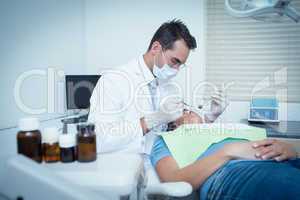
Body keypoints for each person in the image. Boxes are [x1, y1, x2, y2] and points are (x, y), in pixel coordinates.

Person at [88, 19, 227, 154]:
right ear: (156, 48)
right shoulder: (114, 80)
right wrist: (150, 121)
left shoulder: (170, 86)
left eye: (181, 65)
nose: (176, 70)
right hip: (126, 168)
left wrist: (209, 117)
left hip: (161, 162)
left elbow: (180, 127)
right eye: (174, 61)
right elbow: (97, 140)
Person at [150, 125, 300, 200]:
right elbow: (174, 181)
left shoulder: (227, 127)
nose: (189, 111)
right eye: (184, 109)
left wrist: (290, 149)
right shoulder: (167, 139)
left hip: (281, 161)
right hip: (232, 171)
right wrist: (228, 151)